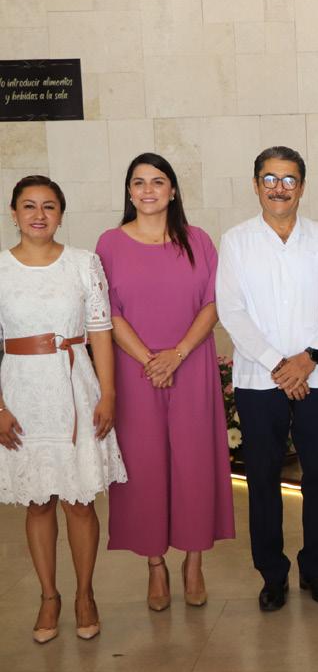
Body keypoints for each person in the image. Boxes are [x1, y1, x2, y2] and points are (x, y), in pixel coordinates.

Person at [216, 146, 318, 612]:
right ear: (256, 185)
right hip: (260, 380)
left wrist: (309, 358)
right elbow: (232, 311)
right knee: (262, 478)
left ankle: (315, 569)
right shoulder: (236, 241)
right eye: (270, 179)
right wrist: (280, 365)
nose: (280, 188)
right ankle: (272, 575)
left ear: (302, 186)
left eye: (289, 179)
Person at [96, 153, 234, 612]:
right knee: (144, 467)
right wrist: (150, 360)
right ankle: (155, 564)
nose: (148, 190)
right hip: (136, 371)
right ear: (129, 192)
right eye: (139, 182)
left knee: (195, 465)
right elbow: (108, 311)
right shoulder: (110, 243)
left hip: (190, 365)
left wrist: (176, 355)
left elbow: (213, 303)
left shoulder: (198, 240)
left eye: (158, 182)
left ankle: (194, 562)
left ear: (173, 191)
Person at [0, 176, 127, 643]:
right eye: (29, 206)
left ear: (60, 213)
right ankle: (49, 596)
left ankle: (85, 595)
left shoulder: (83, 263)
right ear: (14, 213)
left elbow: (101, 331)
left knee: (79, 500)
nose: (39, 215)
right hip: (21, 394)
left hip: (75, 388)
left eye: (49, 206)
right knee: (38, 501)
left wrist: (108, 394)